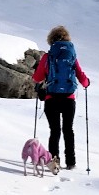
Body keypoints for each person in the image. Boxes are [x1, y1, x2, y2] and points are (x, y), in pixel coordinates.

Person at [32, 25, 91, 171]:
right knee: (68, 130)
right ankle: (71, 162)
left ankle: (54, 161)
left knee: (55, 131)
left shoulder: (48, 56)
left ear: (51, 39)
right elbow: (81, 75)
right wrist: (86, 82)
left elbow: (37, 77)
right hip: (69, 99)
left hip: (51, 98)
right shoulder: (71, 55)